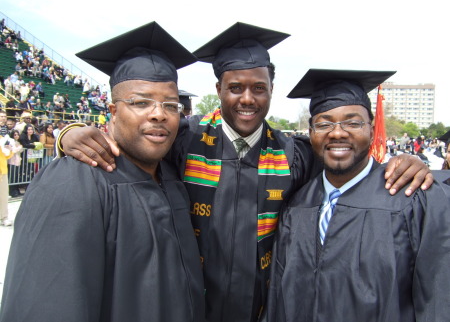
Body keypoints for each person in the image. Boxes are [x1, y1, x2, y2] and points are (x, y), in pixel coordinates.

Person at [57, 23, 432, 322]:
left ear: (271, 90)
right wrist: (68, 134)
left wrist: (405, 165)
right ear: (218, 89)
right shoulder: (183, 140)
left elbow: (348, 163)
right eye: (235, 88)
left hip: (262, 306)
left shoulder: (295, 154)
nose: (247, 99)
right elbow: (132, 145)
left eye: (258, 88)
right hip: (191, 305)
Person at [0, 21, 205, 322]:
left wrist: (65, 132)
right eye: (140, 102)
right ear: (112, 112)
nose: (159, 113)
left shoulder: (173, 176)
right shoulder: (74, 181)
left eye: (171, 105)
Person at [264, 69, 450, 322]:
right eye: (324, 123)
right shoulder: (297, 206)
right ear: (311, 133)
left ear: (372, 130)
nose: (338, 133)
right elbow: (278, 297)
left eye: (353, 123)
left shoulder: (411, 198)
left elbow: (437, 299)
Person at [0, 133, 14, 226]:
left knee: (3, 196)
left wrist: (10, 150)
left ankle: (4, 217)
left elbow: (6, 156)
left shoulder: (2, 139)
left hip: (2, 171)